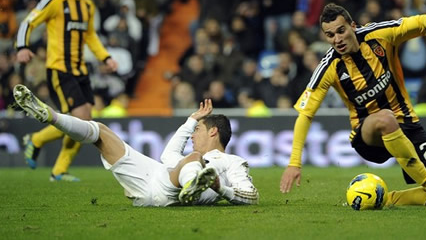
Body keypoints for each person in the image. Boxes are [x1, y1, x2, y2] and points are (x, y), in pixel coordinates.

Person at [280, 3, 426, 206]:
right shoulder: (329, 66)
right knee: (386, 117)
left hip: (407, 124)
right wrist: (294, 163)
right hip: (368, 134)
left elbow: (422, 20)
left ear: (353, 25)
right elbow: (305, 114)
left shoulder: (380, 35)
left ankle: (388, 199)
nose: (337, 39)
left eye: (341, 31)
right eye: (330, 35)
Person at [13, 85, 259, 206]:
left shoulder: (233, 162)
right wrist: (190, 120)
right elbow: (167, 155)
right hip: (154, 178)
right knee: (100, 132)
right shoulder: (186, 157)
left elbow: (251, 197)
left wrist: (219, 188)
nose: (193, 135)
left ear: (214, 131)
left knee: (193, 157)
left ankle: (193, 186)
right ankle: (50, 116)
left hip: (172, 192)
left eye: (198, 130)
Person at [15, 0, 118, 182]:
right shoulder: (53, 0)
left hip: (81, 71)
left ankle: (59, 171)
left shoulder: (87, 5)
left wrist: (105, 57)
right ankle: (37, 140)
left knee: (85, 124)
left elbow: (90, 36)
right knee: (80, 121)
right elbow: (28, 22)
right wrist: (22, 45)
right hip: (60, 69)